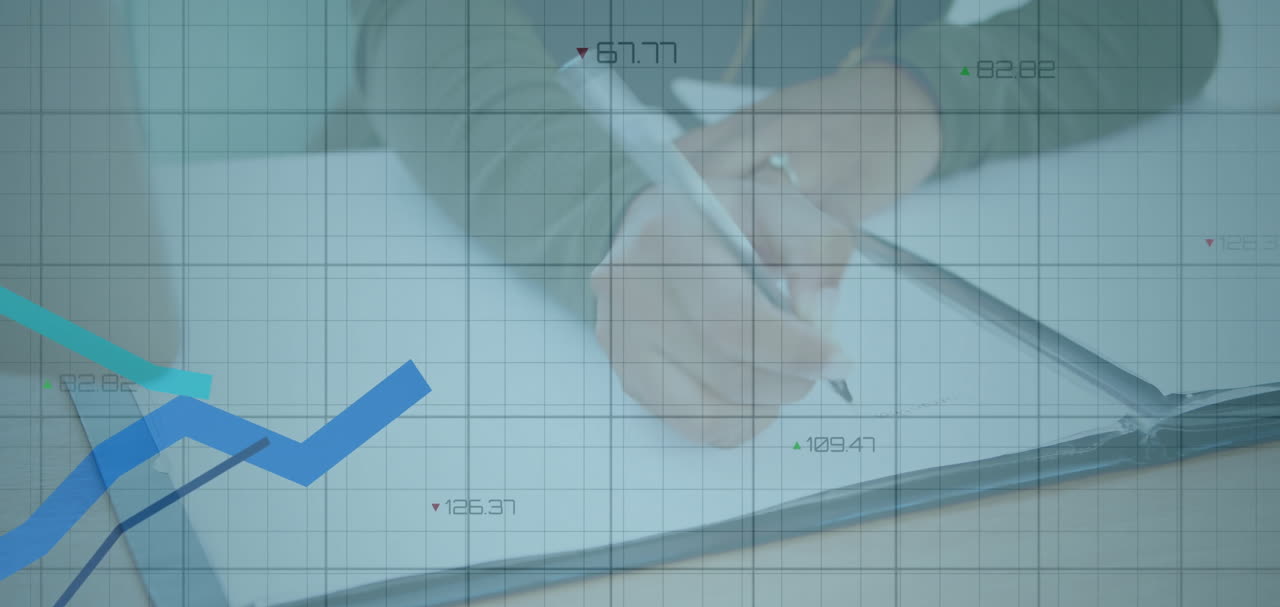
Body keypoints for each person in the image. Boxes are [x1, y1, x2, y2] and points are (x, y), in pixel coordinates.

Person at [348, 0, 1221, 447]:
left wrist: (925, 94)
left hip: (823, 156)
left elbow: (1169, 22)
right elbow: (420, 21)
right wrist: (612, 217)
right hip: (433, 162)